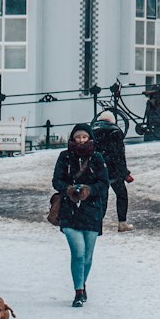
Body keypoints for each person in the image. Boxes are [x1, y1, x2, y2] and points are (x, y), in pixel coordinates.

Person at [52, 123, 110, 306]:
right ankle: (78, 291)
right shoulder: (65, 157)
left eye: (84, 137)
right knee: (78, 252)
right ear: (72, 138)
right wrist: (68, 189)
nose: (81, 140)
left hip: (92, 210)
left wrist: (89, 190)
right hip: (70, 210)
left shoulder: (97, 158)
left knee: (87, 256)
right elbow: (56, 180)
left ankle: (82, 284)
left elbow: (104, 183)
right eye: (78, 137)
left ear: (90, 138)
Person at [93, 111, 135, 232]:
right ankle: (122, 223)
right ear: (112, 121)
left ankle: (97, 223)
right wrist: (125, 172)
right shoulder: (115, 132)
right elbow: (120, 156)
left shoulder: (93, 130)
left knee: (102, 198)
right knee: (121, 195)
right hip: (114, 171)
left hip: (99, 169)